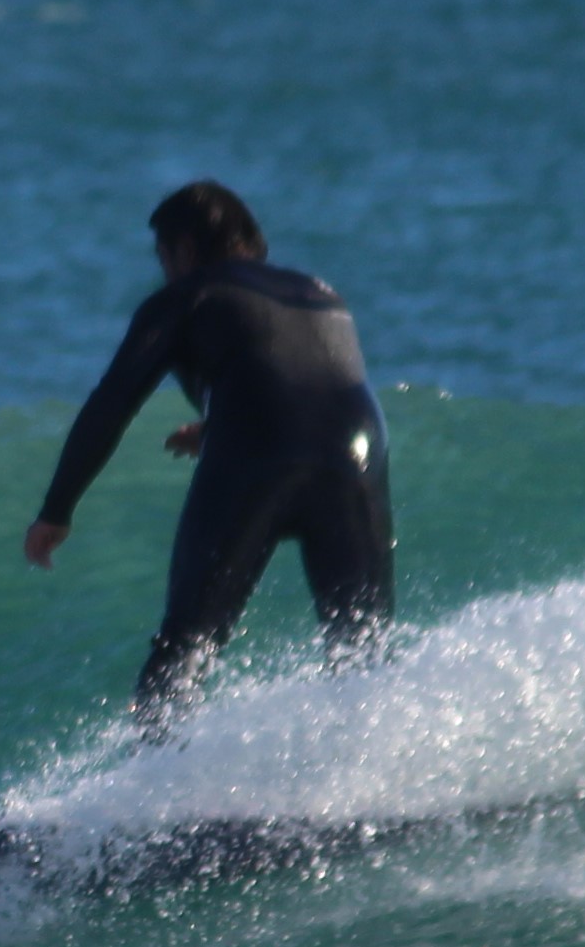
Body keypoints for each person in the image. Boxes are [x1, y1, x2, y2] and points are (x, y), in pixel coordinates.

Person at [21, 180, 391, 718]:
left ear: (185, 250)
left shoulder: (185, 296)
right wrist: (222, 425)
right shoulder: (324, 294)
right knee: (361, 645)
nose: (163, 271)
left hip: (259, 452)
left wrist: (56, 510)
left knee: (185, 647)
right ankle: (380, 778)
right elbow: (310, 393)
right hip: (357, 452)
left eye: (163, 257)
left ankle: (154, 782)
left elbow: (112, 401)